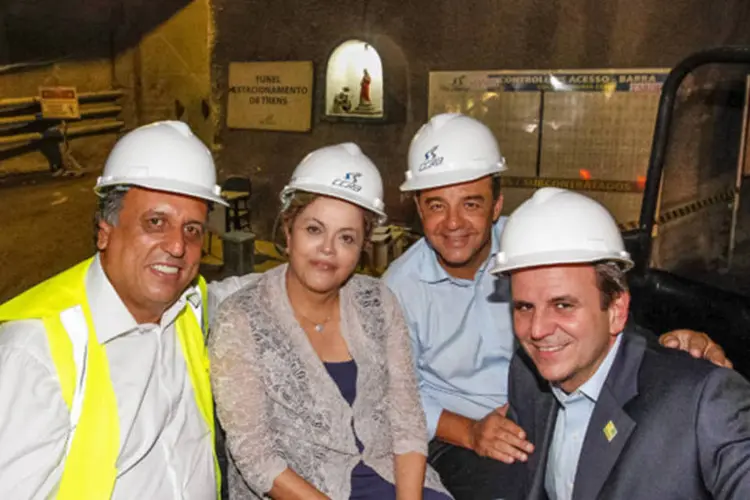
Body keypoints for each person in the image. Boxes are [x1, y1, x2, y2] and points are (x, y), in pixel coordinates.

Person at [382, 112, 733, 499]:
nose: (453, 223)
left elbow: (597, 313)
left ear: (497, 205)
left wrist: (668, 350)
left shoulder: (533, 243)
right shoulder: (398, 290)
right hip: (458, 433)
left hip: (547, 407)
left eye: (470, 204)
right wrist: (469, 431)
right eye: (436, 206)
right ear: (418, 208)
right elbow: (390, 393)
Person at [0, 121, 230, 499]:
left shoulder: (190, 306)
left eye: (192, 230)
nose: (177, 246)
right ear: (105, 229)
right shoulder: (35, 353)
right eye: (156, 222)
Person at [209, 143, 451, 499]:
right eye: (314, 230)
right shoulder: (241, 319)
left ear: (363, 247)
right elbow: (255, 455)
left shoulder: (378, 302)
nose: (328, 249)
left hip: (393, 482)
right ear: (288, 231)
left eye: (346, 238)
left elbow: (407, 421)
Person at [495, 187, 750, 499]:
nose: (537, 330)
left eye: (563, 305)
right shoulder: (526, 377)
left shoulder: (701, 401)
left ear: (616, 311)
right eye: (524, 307)